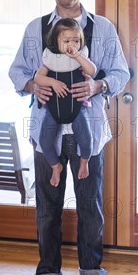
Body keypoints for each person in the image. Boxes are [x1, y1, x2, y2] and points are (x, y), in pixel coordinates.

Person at [9, 0, 130, 275]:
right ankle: (47, 273)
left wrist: (98, 86)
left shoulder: (102, 29)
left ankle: (92, 271)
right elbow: (17, 72)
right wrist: (34, 84)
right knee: (48, 207)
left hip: (88, 132)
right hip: (46, 132)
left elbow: (121, 73)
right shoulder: (36, 29)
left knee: (90, 204)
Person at [35, 17, 97, 187]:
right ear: (57, 41)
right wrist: (53, 82)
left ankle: (84, 162)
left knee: (86, 140)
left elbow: (92, 70)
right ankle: (56, 166)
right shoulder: (51, 59)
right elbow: (38, 78)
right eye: (67, 40)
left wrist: (78, 56)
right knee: (45, 141)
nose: (72, 44)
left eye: (76, 40)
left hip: (78, 109)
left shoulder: (80, 58)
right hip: (53, 110)